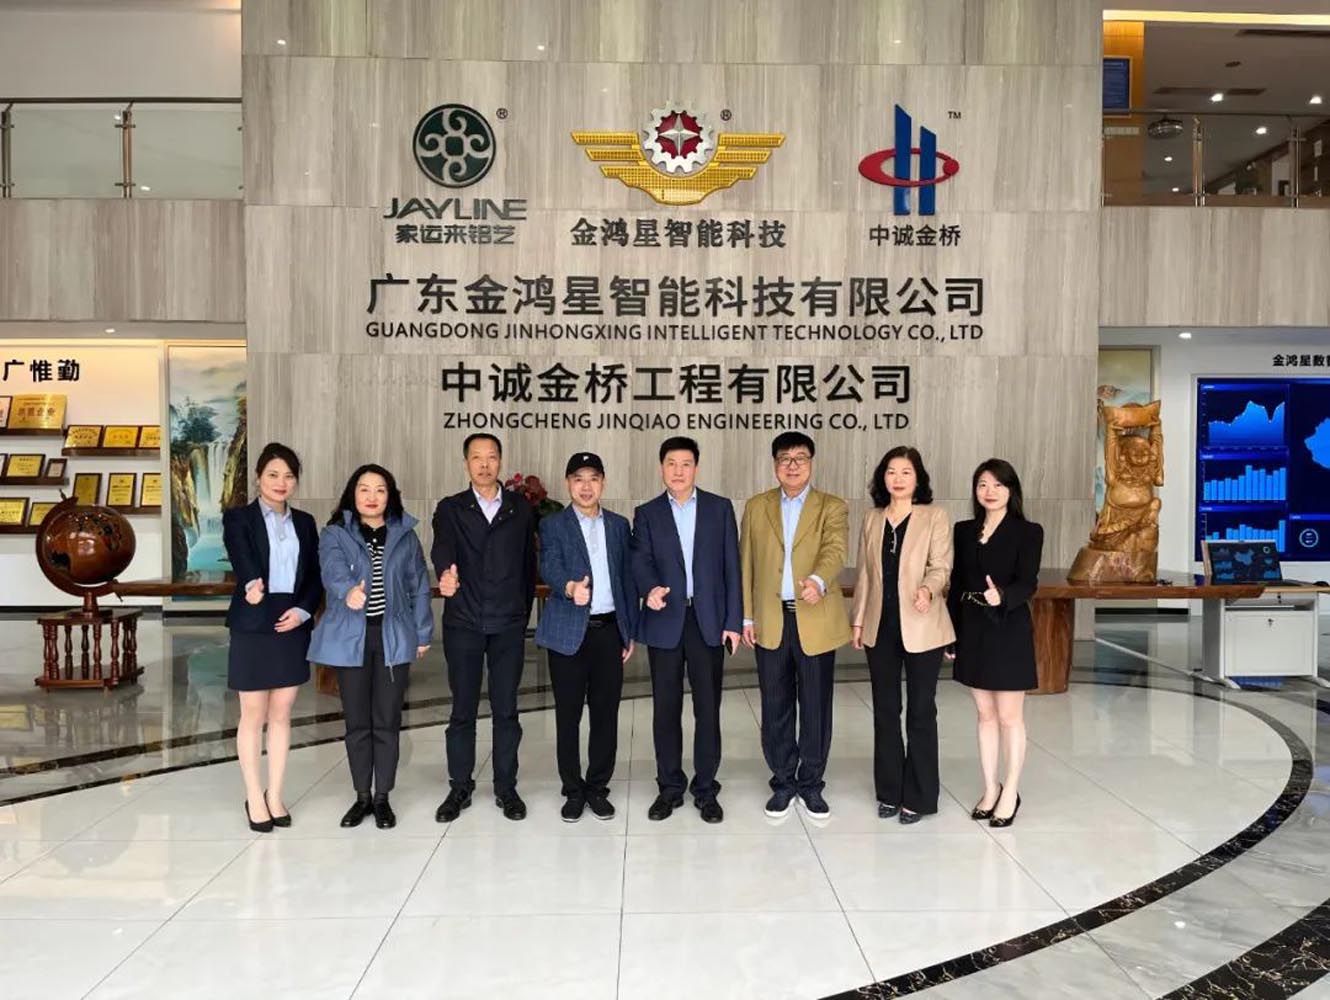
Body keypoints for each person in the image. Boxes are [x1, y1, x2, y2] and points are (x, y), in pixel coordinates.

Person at [308, 464, 433, 830]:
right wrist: (348, 590)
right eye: (364, 489)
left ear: (390, 496)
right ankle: (362, 796)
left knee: (387, 721)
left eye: (380, 489)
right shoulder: (334, 533)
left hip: (392, 636)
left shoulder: (405, 536)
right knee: (357, 721)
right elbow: (331, 570)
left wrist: (423, 633)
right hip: (352, 638)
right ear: (353, 494)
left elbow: (419, 586)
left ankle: (382, 798)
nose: (372, 496)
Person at [740, 432, 850, 820]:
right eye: (784, 458)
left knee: (816, 706)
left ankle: (811, 783)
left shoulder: (831, 507)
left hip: (814, 618)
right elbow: (746, 563)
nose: (792, 465)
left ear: (811, 463)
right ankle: (783, 781)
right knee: (775, 705)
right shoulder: (757, 506)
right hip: (771, 620)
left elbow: (835, 549)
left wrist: (818, 580)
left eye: (800, 458)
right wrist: (747, 616)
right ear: (774, 465)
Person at [632, 436, 742, 824]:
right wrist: (649, 589)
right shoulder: (647, 513)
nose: (678, 471)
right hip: (665, 620)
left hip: (707, 621)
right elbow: (640, 559)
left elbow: (732, 567)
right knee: (666, 709)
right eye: (671, 464)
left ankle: (706, 789)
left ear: (696, 467)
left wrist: (733, 622)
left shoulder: (719, 508)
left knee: (707, 710)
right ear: (661, 467)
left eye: (686, 464)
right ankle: (669, 787)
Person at [430, 433, 536, 823]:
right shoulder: (451, 508)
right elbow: (442, 546)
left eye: (491, 457)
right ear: (466, 464)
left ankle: (506, 788)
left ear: (500, 462)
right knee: (463, 710)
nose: (484, 464)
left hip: (507, 623)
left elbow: (528, 566)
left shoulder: (519, 508)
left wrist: (521, 614)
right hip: (464, 622)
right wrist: (446, 572)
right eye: (477, 458)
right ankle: (460, 786)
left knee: (506, 710)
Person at [850, 446, 955, 824]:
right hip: (881, 627)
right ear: (883, 478)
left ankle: (920, 796)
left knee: (921, 711)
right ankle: (889, 791)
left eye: (906, 472)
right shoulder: (872, 518)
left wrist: (928, 589)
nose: (897, 478)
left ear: (918, 478)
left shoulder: (934, 516)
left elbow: (941, 566)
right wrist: (858, 620)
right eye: (891, 472)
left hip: (923, 625)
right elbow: (864, 573)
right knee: (885, 710)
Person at [222, 442, 322, 833]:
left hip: (290, 621)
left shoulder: (305, 523)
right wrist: (251, 584)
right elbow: (241, 555)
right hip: (253, 619)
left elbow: (313, 575)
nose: (281, 483)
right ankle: (254, 794)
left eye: (289, 476)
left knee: (281, 713)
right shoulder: (239, 518)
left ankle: (275, 794)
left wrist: (303, 611)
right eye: (273, 475)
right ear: (259, 477)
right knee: (253, 714)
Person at [534, 453, 638, 822]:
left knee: (606, 714)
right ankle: (573, 789)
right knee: (568, 715)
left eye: (593, 478)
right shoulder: (553, 524)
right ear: (568, 484)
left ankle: (597, 786)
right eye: (578, 479)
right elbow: (549, 565)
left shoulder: (619, 526)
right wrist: (568, 587)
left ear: (603, 483)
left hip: (609, 630)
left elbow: (627, 579)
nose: (586, 486)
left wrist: (629, 630)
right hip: (568, 633)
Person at [948, 458, 1043, 828]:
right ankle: (990, 787)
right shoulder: (963, 530)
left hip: (1008, 627)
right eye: (982, 484)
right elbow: (957, 584)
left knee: (1009, 717)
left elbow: (1028, 582)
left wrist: (1002, 595)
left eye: (998, 485)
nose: (989, 492)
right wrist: (952, 633)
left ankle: (1011, 791)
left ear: (1011, 490)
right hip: (972, 628)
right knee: (984, 714)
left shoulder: (1028, 531)